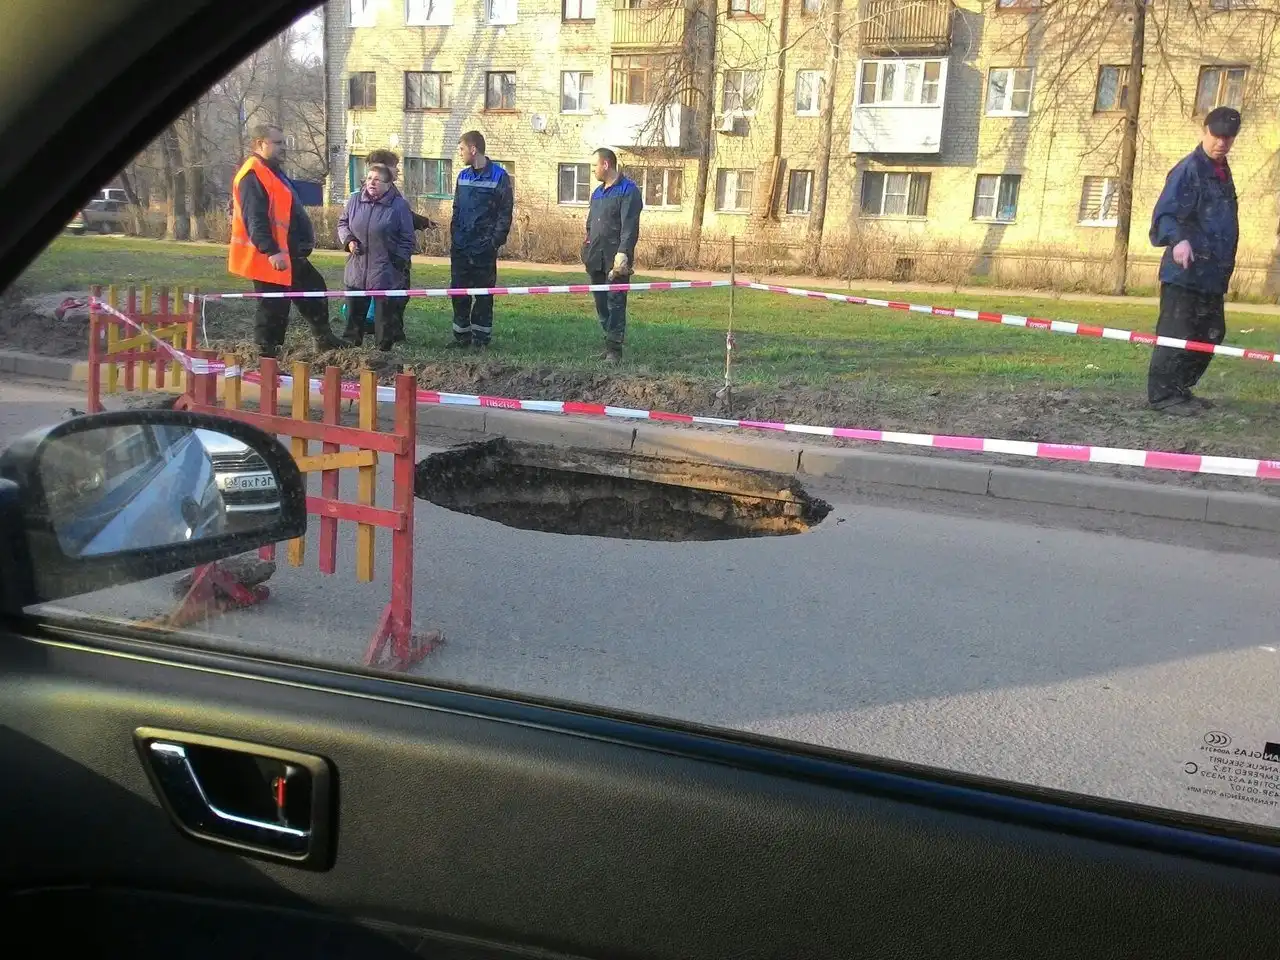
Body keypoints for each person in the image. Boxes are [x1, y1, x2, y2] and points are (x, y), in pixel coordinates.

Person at [1146, 106, 1242, 416]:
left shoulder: (1221, 172)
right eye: (1216, 136)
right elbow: (1165, 215)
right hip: (1185, 273)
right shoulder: (1189, 170)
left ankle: (1180, 389)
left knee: (1211, 333)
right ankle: (1163, 396)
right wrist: (1179, 240)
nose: (1221, 143)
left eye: (1228, 138)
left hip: (1212, 274)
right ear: (1205, 131)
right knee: (1177, 333)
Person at [228, 123, 345, 357]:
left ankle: (323, 339)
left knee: (314, 290)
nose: (284, 148)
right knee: (273, 307)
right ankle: (266, 355)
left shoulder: (272, 171)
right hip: (269, 257)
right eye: (278, 143)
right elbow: (255, 218)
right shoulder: (253, 175)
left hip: (289, 253)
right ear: (260, 144)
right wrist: (271, 251)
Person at [337, 163, 416, 351]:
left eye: (377, 180)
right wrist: (349, 240)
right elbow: (342, 224)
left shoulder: (399, 206)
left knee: (384, 323)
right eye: (369, 178)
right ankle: (350, 351)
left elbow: (408, 238)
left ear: (388, 184)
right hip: (357, 271)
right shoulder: (355, 200)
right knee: (353, 319)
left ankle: (383, 353)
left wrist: (397, 262)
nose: (371, 183)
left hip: (385, 273)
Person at [362, 149, 436, 342]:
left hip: (398, 254)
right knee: (391, 294)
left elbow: (405, 215)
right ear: (383, 168)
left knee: (400, 293)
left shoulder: (392, 191)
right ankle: (384, 330)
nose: (398, 170)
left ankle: (394, 329)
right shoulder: (373, 194)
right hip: (388, 255)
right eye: (395, 166)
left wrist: (423, 222)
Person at [449, 131, 514, 349]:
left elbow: (505, 213)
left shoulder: (499, 176)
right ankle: (461, 337)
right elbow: (456, 209)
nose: (460, 153)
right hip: (461, 248)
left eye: (461, 149)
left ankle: (481, 339)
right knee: (458, 293)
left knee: (484, 296)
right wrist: (455, 237)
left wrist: (494, 242)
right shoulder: (462, 176)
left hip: (484, 249)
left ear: (473, 149)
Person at [582, 147, 643, 365]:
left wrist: (623, 252)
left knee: (615, 303)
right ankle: (609, 343)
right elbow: (590, 225)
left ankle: (614, 351)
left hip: (616, 259)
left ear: (606, 164)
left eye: (594, 166)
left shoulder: (628, 191)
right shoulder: (598, 193)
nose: (593, 170)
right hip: (595, 257)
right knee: (601, 305)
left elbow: (630, 226)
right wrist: (586, 248)